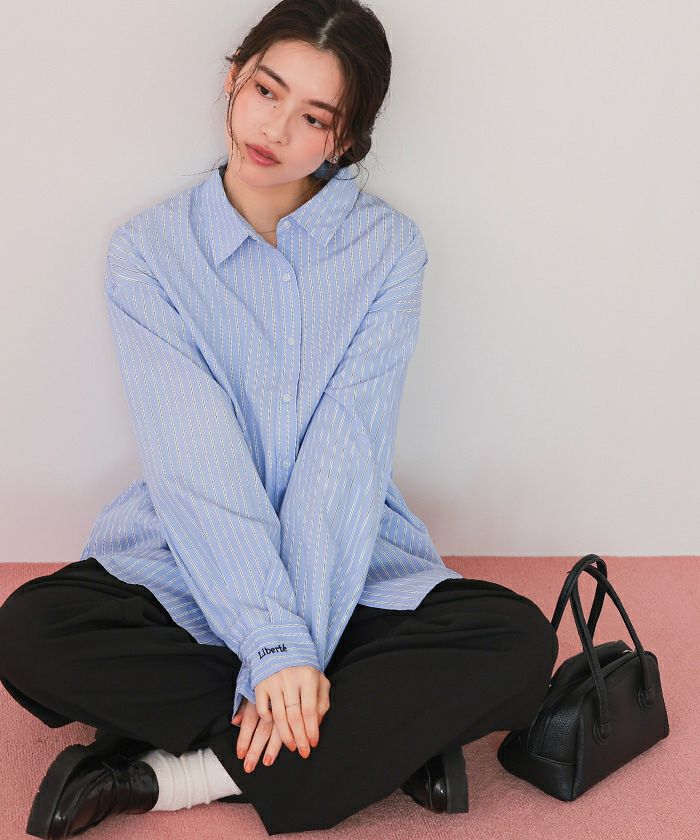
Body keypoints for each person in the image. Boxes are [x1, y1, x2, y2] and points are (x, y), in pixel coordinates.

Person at [0, 0, 559, 837]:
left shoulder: (388, 251)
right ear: (235, 79)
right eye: (267, 90)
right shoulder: (149, 251)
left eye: (314, 118)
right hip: (188, 559)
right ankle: (378, 739)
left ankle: (171, 776)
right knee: (31, 632)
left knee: (515, 642)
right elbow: (195, 461)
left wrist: (292, 647)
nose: (275, 128)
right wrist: (271, 645)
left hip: (348, 565)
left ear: (344, 140)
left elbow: (346, 453)